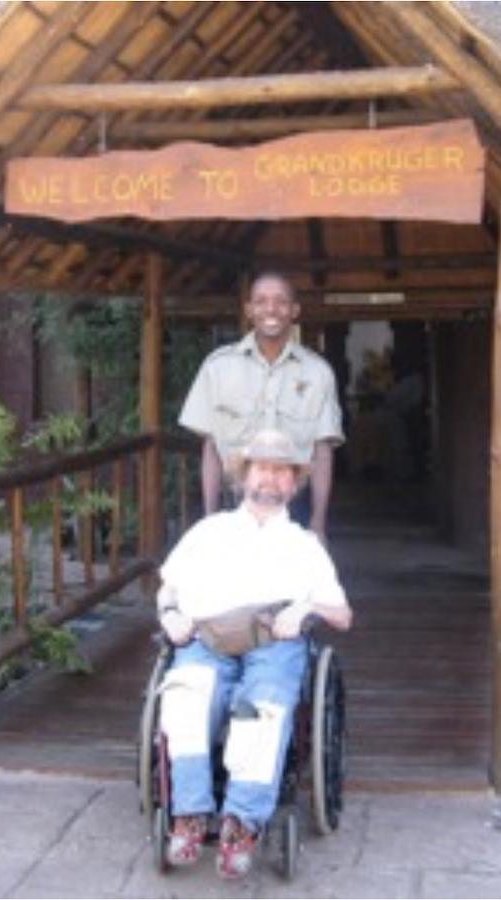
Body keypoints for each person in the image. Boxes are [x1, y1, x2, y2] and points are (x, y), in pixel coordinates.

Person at [155, 428, 352, 880]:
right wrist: (168, 612)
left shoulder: (305, 545)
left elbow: (342, 614)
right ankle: (188, 815)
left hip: (272, 648)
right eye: (262, 468)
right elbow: (169, 587)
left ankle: (241, 823)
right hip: (206, 642)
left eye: (282, 471)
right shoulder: (209, 532)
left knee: (258, 710)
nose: (271, 479)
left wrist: (305, 606)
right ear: (243, 476)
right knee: (184, 698)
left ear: (294, 483)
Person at [179, 271, 344, 543]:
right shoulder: (217, 367)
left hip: (295, 507)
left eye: (281, 301)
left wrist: (318, 523)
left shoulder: (318, 372)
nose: (271, 309)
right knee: (235, 585)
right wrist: (210, 518)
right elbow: (210, 447)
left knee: (292, 585)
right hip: (234, 503)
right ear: (249, 310)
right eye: (261, 301)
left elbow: (322, 452)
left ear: (294, 310)